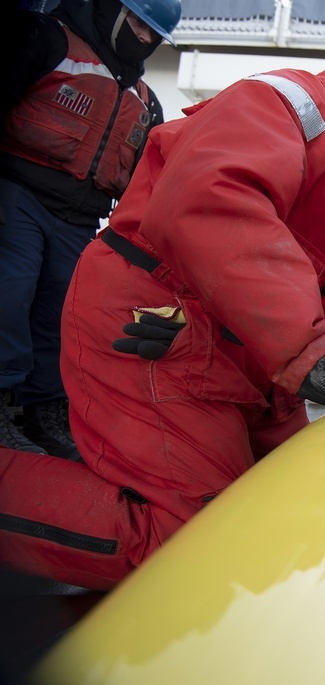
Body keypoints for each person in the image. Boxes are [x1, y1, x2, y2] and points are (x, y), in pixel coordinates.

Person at [0, 52, 325, 590]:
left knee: (291, 513)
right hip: (154, 325)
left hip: (250, 360)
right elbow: (208, 199)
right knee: (193, 541)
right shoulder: (291, 109)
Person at [0, 0, 180, 460]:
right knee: (9, 294)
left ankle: (44, 413)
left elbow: (146, 187)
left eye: (152, 32)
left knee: (60, 316)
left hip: (79, 219)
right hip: (18, 193)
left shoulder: (144, 100)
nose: (143, 37)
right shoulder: (47, 39)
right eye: (138, 23)